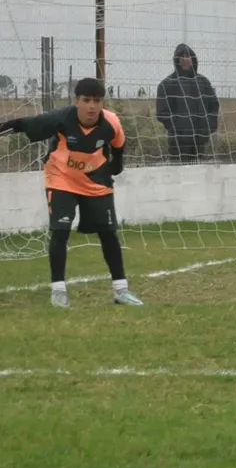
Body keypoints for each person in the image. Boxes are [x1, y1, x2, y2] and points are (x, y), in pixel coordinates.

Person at [0, 78, 143, 307]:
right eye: (86, 100)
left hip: (95, 181)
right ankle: (58, 291)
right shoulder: (62, 117)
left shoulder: (111, 122)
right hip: (61, 179)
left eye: (97, 101)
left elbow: (118, 146)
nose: (92, 106)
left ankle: (121, 290)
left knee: (109, 233)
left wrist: (116, 166)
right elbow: (25, 123)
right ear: (76, 101)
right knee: (60, 230)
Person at [155, 43, 220, 163]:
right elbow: (162, 113)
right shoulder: (167, 84)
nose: (185, 59)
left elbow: (214, 106)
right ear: (176, 60)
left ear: (193, 59)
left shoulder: (203, 82)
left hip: (200, 140)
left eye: (188, 55)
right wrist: (179, 129)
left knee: (198, 174)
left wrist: (207, 129)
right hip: (178, 142)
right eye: (182, 56)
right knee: (179, 175)